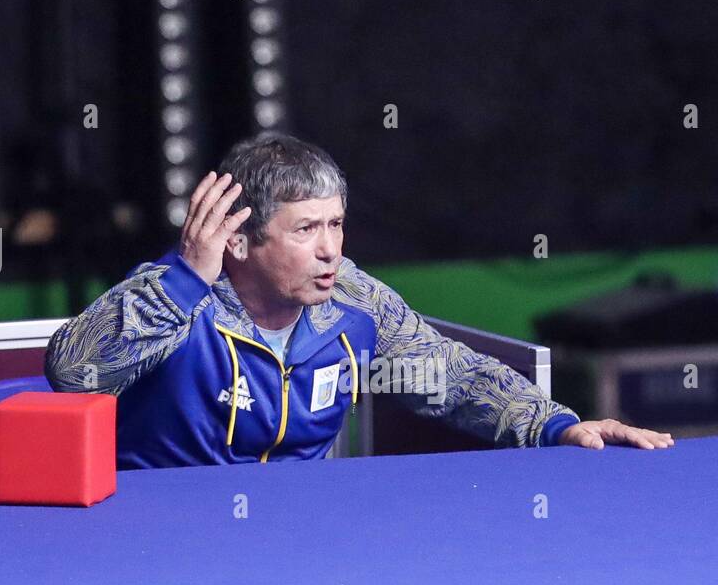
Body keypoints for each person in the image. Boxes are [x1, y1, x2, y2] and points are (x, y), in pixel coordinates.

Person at [44, 133, 674, 467]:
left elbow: (450, 378)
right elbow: (72, 373)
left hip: (303, 543)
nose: (330, 251)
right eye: (305, 230)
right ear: (237, 239)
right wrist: (186, 277)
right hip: (164, 545)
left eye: (336, 224)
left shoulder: (353, 303)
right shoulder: (175, 299)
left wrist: (560, 425)